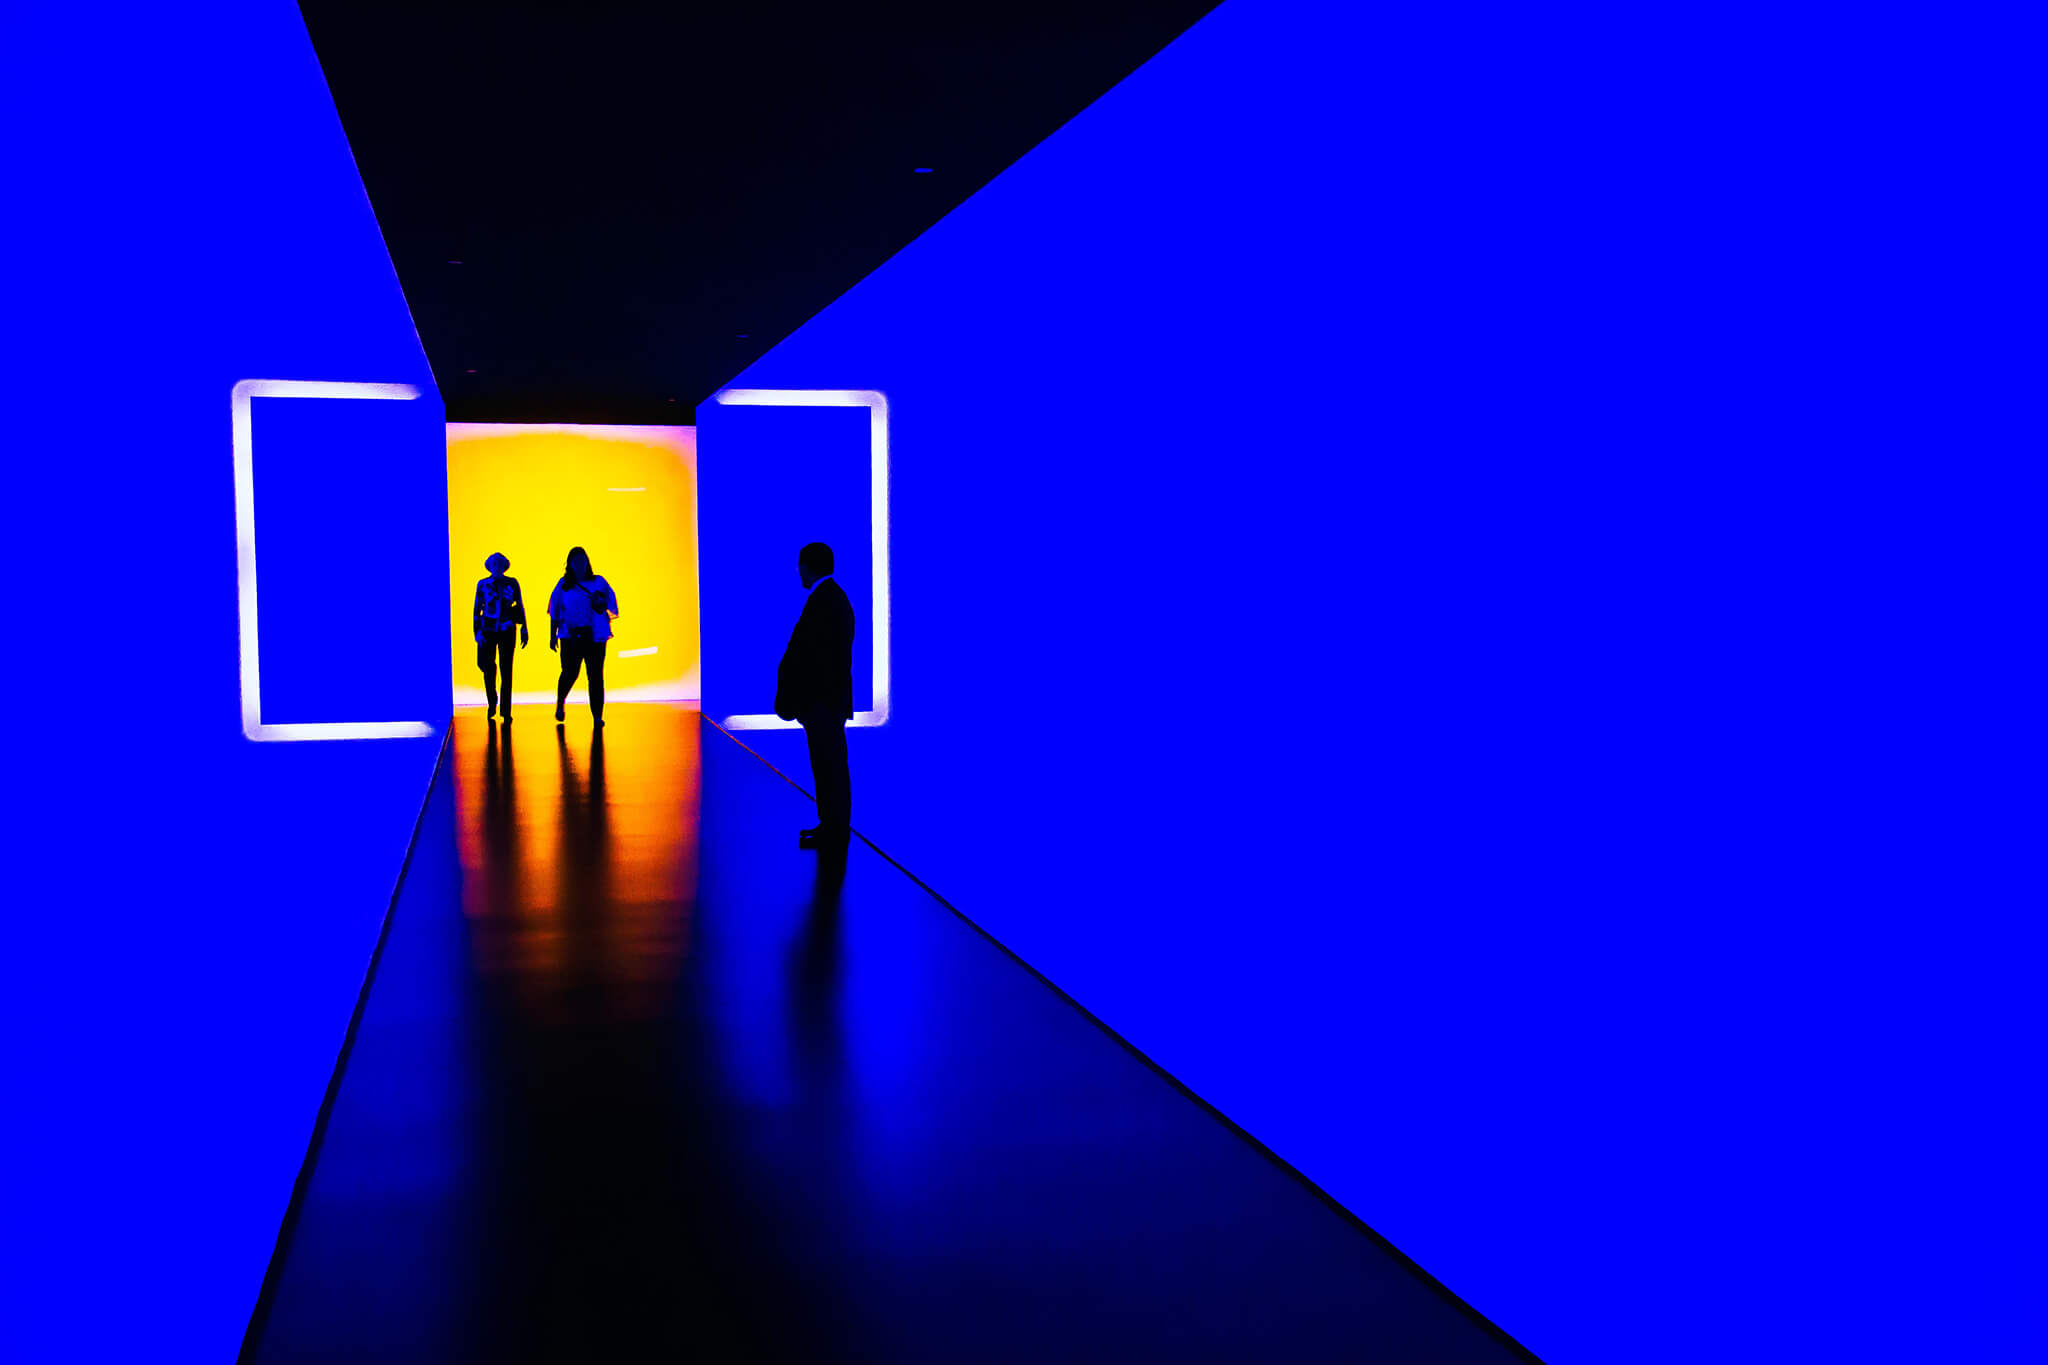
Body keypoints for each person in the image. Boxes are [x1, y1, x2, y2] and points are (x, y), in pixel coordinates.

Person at [776, 542, 855, 847]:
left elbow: (811, 656)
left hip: (822, 702)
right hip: (826, 701)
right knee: (829, 764)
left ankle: (833, 828)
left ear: (807, 566)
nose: (799, 572)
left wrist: (802, 699)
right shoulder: (832, 598)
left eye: (800, 566)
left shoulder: (824, 601)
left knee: (828, 765)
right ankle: (832, 826)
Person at [548, 546, 620, 727]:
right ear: (569, 564)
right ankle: (560, 702)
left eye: (582, 560)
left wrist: (600, 603)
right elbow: (555, 610)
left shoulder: (599, 582)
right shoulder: (563, 585)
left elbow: (610, 604)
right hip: (570, 635)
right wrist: (552, 635)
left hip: (595, 635)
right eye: (576, 561)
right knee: (570, 672)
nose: (579, 564)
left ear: (587, 562)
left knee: (595, 675)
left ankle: (597, 716)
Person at [472, 552, 528, 721]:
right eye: (494, 564)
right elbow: (477, 609)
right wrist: (477, 632)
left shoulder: (512, 582)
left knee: (507, 669)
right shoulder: (482, 584)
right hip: (488, 628)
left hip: (507, 628)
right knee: (486, 665)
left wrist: (525, 627)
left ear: (504, 566)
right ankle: (492, 701)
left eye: (500, 564)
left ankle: (505, 710)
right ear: (490, 566)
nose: (497, 567)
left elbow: (519, 604)